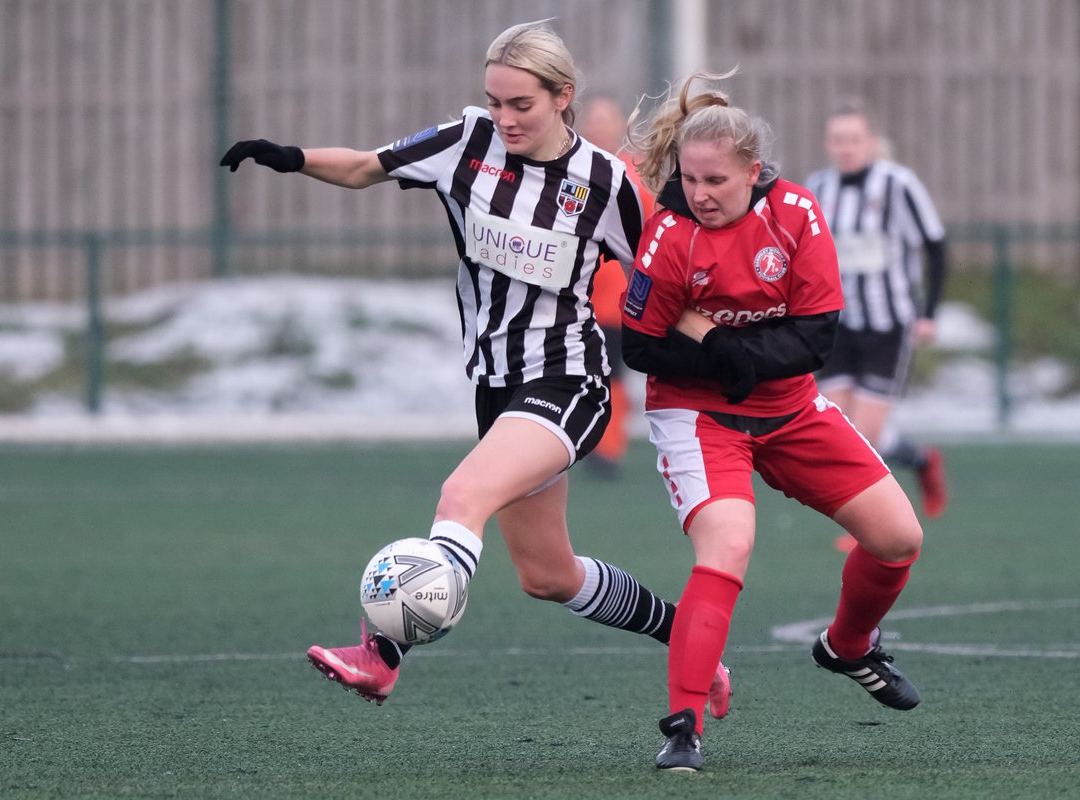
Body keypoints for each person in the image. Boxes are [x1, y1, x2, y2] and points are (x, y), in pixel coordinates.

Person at [218, 20, 730, 715]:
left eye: (521, 104)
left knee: (462, 499)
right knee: (548, 576)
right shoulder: (465, 143)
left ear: (562, 97)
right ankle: (683, 636)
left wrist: (732, 350)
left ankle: (381, 654)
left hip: (569, 380)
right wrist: (292, 155)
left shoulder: (605, 182)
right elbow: (368, 165)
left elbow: (661, 289)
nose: (504, 117)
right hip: (496, 386)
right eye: (495, 101)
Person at [620, 71, 924, 772]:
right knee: (728, 544)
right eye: (690, 179)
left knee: (898, 538)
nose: (700, 194)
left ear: (753, 173)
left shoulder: (797, 213)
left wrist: (725, 347)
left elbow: (815, 338)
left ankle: (848, 646)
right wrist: (726, 364)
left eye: (716, 181)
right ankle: (684, 727)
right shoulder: (669, 234)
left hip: (790, 408)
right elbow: (639, 345)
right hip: (698, 417)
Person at [805, 100, 949, 536]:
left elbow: (936, 245)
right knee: (841, 428)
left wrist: (929, 313)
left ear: (869, 142)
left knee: (865, 432)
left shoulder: (899, 184)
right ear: (828, 144)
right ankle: (921, 460)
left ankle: (871, 529)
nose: (846, 148)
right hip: (839, 325)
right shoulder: (818, 187)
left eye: (854, 139)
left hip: (889, 323)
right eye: (838, 140)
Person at [576, 97, 656, 474]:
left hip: (622, 297)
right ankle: (589, 441)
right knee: (583, 370)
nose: (599, 128)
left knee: (612, 371)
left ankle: (608, 447)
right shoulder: (572, 167)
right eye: (593, 120)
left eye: (606, 121)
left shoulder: (635, 172)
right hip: (576, 294)